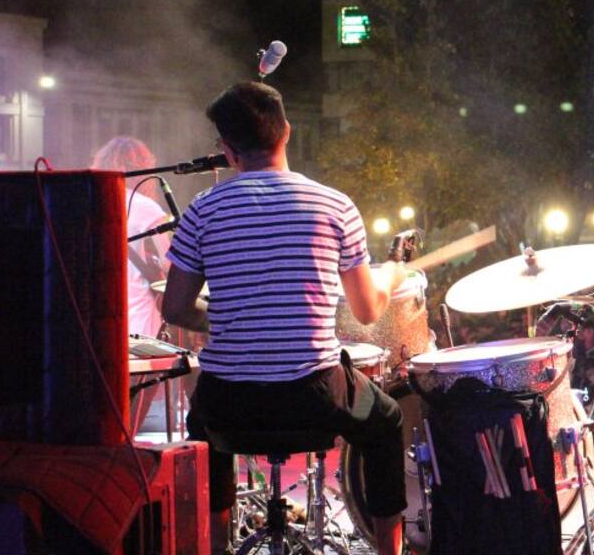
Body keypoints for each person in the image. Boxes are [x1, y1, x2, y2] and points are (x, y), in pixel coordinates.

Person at [162, 82, 415, 555]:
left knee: (204, 429)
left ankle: (216, 544)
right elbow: (368, 310)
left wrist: (227, 322)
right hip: (314, 397)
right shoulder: (335, 205)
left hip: (229, 403)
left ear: (227, 149)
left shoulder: (203, 210)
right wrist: (394, 269)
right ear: (287, 133)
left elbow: (175, 308)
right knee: (387, 419)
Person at [92, 136, 170, 339]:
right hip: (140, 319)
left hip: (100, 317)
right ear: (143, 168)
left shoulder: (91, 202)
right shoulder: (147, 208)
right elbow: (171, 263)